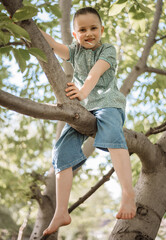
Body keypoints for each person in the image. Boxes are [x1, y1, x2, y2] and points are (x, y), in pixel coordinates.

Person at [40, 7, 136, 236]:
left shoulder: (108, 50)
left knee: (113, 133)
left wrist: (82, 91)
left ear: (101, 30)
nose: (89, 33)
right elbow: (53, 45)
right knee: (61, 150)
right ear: (75, 35)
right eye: (82, 29)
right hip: (83, 109)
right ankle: (61, 211)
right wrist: (30, 25)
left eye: (93, 28)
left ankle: (128, 193)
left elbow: (95, 72)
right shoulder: (74, 51)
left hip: (107, 102)